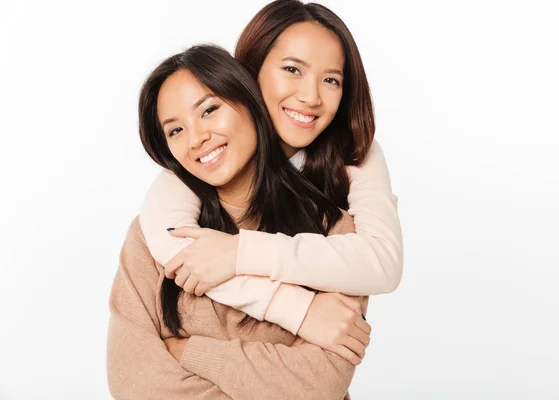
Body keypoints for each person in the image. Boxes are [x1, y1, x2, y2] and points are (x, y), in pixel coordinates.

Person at [140, 0, 402, 362]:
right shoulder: (206, 154)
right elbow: (179, 249)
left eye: (331, 80)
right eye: (293, 69)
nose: (311, 97)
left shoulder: (352, 154)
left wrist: (240, 253)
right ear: (249, 70)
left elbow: (383, 263)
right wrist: (299, 310)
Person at [107, 45, 370, 399]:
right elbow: (132, 382)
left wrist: (186, 350)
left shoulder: (334, 229)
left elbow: (319, 385)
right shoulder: (153, 237)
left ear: (251, 102)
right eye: (175, 131)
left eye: (210, 110)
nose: (196, 138)